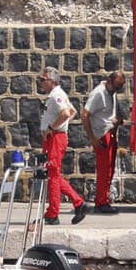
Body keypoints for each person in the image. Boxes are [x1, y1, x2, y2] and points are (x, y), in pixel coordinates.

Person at [38, 67, 88, 225]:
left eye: (43, 79)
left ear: (52, 81)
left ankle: (53, 213)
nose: (41, 83)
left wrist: (53, 128)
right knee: (54, 174)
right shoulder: (57, 94)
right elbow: (72, 111)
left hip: (55, 138)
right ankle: (78, 203)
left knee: (52, 175)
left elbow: (66, 113)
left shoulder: (56, 95)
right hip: (54, 137)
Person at [83, 71, 126, 215]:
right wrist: (93, 138)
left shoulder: (111, 92)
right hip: (101, 135)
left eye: (119, 87)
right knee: (104, 170)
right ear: (109, 81)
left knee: (109, 169)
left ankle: (104, 199)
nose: (117, 90)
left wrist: (118, 121)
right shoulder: (98, 93)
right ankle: (101, 202)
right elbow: (85, 115)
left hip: (110, 132)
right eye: (116, 86)